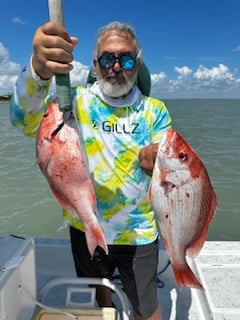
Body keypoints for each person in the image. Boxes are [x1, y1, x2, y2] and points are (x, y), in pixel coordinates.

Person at [10, 21, 172, 320]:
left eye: (125, 59)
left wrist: (159, 162)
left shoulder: (155, 110)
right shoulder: (71, 102)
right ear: (96, 64)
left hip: (137, 231)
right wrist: (39, 70)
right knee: (99, 290)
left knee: (146, 307)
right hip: (84, 222)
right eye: (107, 58)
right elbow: (22, 120)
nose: (115, 67)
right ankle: (106, 310)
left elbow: (170, 165)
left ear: (137, 65)